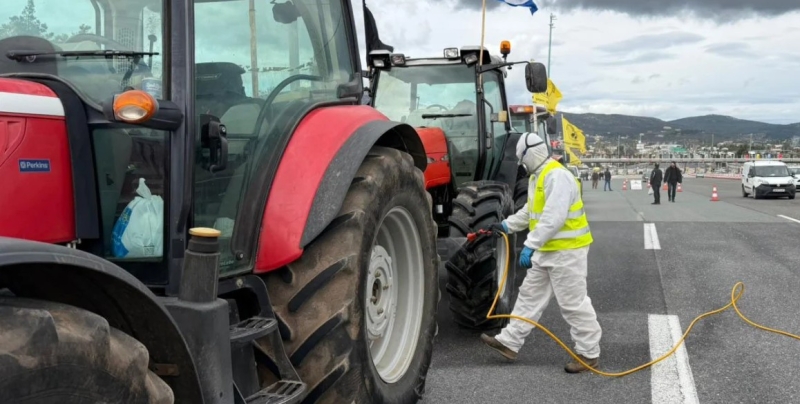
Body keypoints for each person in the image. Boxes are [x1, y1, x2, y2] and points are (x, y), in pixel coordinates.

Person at [480, 132, 602, 373]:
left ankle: (589, 354)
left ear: (531, 154)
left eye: (523, 158)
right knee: (529, 297)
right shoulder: (539, 176)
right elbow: (530, 211)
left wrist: (530, 244)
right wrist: (506, 225)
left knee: (573, 303)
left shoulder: (557, 176)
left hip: (568, 251)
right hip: (547, 250)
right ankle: (509, 342)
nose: (522, 164)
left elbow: (553, 217)